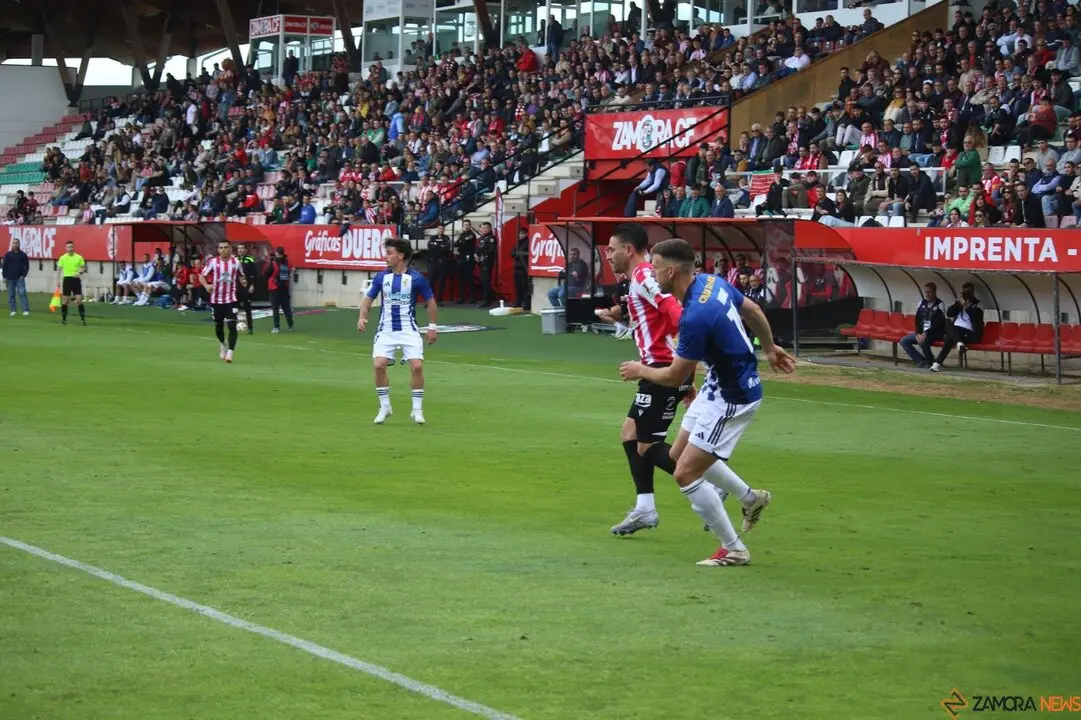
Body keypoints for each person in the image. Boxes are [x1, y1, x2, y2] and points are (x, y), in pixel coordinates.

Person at [619, 238, 795, 566]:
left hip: (733, 397)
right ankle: (750, 498)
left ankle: (734, 549)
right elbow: (753, 311)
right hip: (719, 385)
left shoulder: (695, 318)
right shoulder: (712, 282)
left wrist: (639, 370)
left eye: (656, 268)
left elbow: (674, 376)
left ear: (671, 271)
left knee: (684, 473)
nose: (652, 275)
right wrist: (770, 348)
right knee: (676, 456)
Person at [606, 224, 701, 536]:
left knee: (646, 445)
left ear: (629, 250)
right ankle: (645, 508)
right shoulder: (641, 278)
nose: (608, 255)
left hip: (661, 368)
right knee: (630, 433)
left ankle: (711, 483)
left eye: (611, 249)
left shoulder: (644, 275)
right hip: (666, 366)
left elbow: (673, 310)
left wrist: (684, 365)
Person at [357, 238, 438, 425]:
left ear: (400, 256)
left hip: (409, 329)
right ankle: (385, 406)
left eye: (389, 253)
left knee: (417, 366)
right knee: (379, 365)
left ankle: (417, 410)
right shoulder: (381, 277)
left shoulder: (416, 279)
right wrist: (362, 317)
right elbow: (368, 299)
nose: (386, 257)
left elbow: (431, 302)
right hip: (386, 330)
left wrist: (432, 327)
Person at [200, 241, 247, 363]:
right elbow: (201, 276)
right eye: (221, 248)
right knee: (219, 327)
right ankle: (223, 343)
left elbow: (242, 275)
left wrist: (244, 282)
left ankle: (230, 352)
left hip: (231, 299)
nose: (223, 250)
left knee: (232, 325)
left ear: (230, 249)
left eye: (226, 247)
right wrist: (206, 286)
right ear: (218, 250)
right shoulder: (213, 262)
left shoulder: (236, 263)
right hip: (216, 300)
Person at [931, 283, 983, 372]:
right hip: (956, 330)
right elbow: (949, 314)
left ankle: (938, 363)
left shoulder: (977, 304)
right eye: (965, 292)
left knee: (949, 337)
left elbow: (976, 319)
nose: (967, 294)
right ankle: (959, 343)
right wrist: (958, 304)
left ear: (972, 292)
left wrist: (967, 308)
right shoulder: (958, 303)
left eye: (969, 292)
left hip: (969, 332)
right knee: (947, 321)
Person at [899, 283, 947, 369]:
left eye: (930, 292)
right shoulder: (921, 303)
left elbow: (939, 323)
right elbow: (917, 320)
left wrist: (926, 333)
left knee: (923, 340)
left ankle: (931, 361)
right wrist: (917, 333)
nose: (927, 294)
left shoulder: (940, 304)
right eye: (926, 292)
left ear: (934, 292)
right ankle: (920, 360)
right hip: (921, 332)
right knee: (904, 341)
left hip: (934, 332)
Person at [55, 241, 87, 325]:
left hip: (76, 279)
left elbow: (83, 268)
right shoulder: (63, 257)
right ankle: (64, 319)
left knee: (79, 299)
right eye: (68, 247)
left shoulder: (79, 257)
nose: (70, 248)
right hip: (67, 279)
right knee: (65, 300)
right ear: (66, 248)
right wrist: (57, 280)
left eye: (71, 247)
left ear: (73, 247)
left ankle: (82, 320)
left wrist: (79, 273)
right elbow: (58, 269)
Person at [266, 246, 294, 333]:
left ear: (277, 253)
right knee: (286, 308)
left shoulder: (273, 262)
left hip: (274, 287)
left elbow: (266, 273)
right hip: (284, 287)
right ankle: (291, 326)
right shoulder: (288, 262)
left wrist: (270, 260)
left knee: (275, 308)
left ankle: (276, 327)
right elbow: (289, 272)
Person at [2, 238, 30, 316]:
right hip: (9, 278)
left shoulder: (23, 255)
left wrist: (23, 275)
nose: (15, 244)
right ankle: (13, 310)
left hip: (19, 278)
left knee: (22, 293)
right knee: (11, 294)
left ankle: (25, 310)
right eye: (14, 243)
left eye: (17, 243)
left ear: (19, 244)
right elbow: (4, 266)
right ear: (12, 244)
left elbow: (26, 267)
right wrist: (4, 277)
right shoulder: (8, 255)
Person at [236, 242, 258, 334]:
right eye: (238, 248)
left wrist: (252, 285)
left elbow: (254, 274)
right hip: (236, 287)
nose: (240, 250)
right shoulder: (234, 260)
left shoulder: (250, 260)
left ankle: (250, 328)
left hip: (246, 287)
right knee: (234, 308)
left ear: (246, 250)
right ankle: (234, 326)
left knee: (247, 308)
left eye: (242, 248)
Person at [453, 219, 478, 303]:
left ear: (470, 226)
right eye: (464, 225)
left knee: (469, 278)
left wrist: (460, 237)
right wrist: (460, 237)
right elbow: (455, 244)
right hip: (461, 258)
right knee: (461, 278)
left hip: (469, 258)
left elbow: (462, 242)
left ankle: (472, 297)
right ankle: (461, 297)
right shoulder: (462, 234)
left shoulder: (472, 235)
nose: (466, 226)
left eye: (467, 225)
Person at [427, 224, 452, 304]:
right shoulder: (432, 237)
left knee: (441, 281)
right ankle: (430, 300)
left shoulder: (446, 238)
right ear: (437, 229)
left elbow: (446, 248)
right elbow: (430, 247)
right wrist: (440, 246)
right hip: (433, 261)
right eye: (439, 228)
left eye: (442, 228)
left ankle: (439, 300)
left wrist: (436, 246)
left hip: (442, 262)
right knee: (431, 281)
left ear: (444, 230)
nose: (441, 230)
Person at [476, 221, 497, 307]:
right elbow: (478, 249)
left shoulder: (492, 238)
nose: (484, 229)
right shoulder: (482, 238)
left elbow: (490, 250)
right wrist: (476, 255)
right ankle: (485, 299)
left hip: (487, 263)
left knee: (486, 281)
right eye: (483, 228)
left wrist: (483, 256)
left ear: (490, 228)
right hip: (481, 263)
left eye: (486, 228)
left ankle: (487, 301)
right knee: (483, 282)